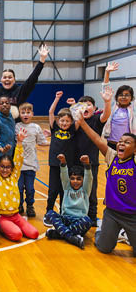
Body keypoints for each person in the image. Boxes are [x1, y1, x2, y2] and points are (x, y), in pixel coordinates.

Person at [77, 113, 136, 257]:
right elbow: (97, 139)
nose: (121, 144)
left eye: (127, 142)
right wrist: (83, 123)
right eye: (120, 141)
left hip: (133, 215)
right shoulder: (112, 157)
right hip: (112, 213)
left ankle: (125, 234)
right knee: (104, 248)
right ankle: (101, 231)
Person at [68, 77, 113, 226]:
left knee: (91, 191)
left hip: (91, 163)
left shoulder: (96, 120)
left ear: (94, 109)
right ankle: (75, 213)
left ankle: (92, 217)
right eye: (83, 105)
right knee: (75, 189)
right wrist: (75, 113)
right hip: (75, 161)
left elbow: (106, 115)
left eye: (89, 105)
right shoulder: (75, 121)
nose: (86, 107)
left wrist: (107, 102)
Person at [0, 128, 39, 241]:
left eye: (8, 167)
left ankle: (13, 226)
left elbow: (18, 160)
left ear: (12, 168)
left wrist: (19, 142)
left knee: (34, 233)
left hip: (15, 215)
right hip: (1, 217)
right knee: (17, 234)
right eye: (2, 166)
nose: (5, 170)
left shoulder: (14, 176)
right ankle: (0, 225)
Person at [0, 43, 49, 119]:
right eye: (4, 77)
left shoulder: (20, 90)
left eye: (10, 77)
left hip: (16, 126)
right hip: (0, 123)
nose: (7, 79)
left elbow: (33, 78)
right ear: (1, 80)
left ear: (14, 80)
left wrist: (42, 60)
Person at [45, 154, 93, 249]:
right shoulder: (67, 188)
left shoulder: (85, 190)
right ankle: (71, 237)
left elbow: (89, 177)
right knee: (50, 213)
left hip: (79, 221)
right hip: (65, 219)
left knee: (88, 221)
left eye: (79, 179)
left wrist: (87, 164)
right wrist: (63, 162)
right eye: (72, 178)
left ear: (83, 180)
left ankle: (59, 233)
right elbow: (63, 175)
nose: (75, 181)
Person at [44, 91, 76, 226]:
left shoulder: (73, 130)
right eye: (62, 120)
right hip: (54, 165)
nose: (64, 123)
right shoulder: (54, 128)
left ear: (71, 122)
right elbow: (51, 112)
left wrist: (74, 105)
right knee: (52, 191)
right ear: (58, 120)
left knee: (65, 191)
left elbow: (78, 117)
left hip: (68, 166)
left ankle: (64, 213)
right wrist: (57, 98)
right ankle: (49, 213)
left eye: (67, 121)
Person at [16, 102, 49, 217]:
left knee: (30, 189)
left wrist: (53, 141)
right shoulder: (16, 126)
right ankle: (19, 205)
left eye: (28, 112)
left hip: (31, 164)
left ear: (32, 114)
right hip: (18, 165)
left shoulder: (36, 127)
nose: (25, 114)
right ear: (19, 114)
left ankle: (30, 206)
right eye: (23, 112)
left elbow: (42, 142)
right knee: (19, 188)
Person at [102, 63, 136, 149]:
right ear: (116, 97)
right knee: (112, 163)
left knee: (128, 163)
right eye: (121, 95)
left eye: (127, 95)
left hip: (128, 145)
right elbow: (105, 88)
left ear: (132, 98)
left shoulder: (134, 109)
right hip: (112, 143)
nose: (123, 97)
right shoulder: (112, 106)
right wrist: (107, 72)